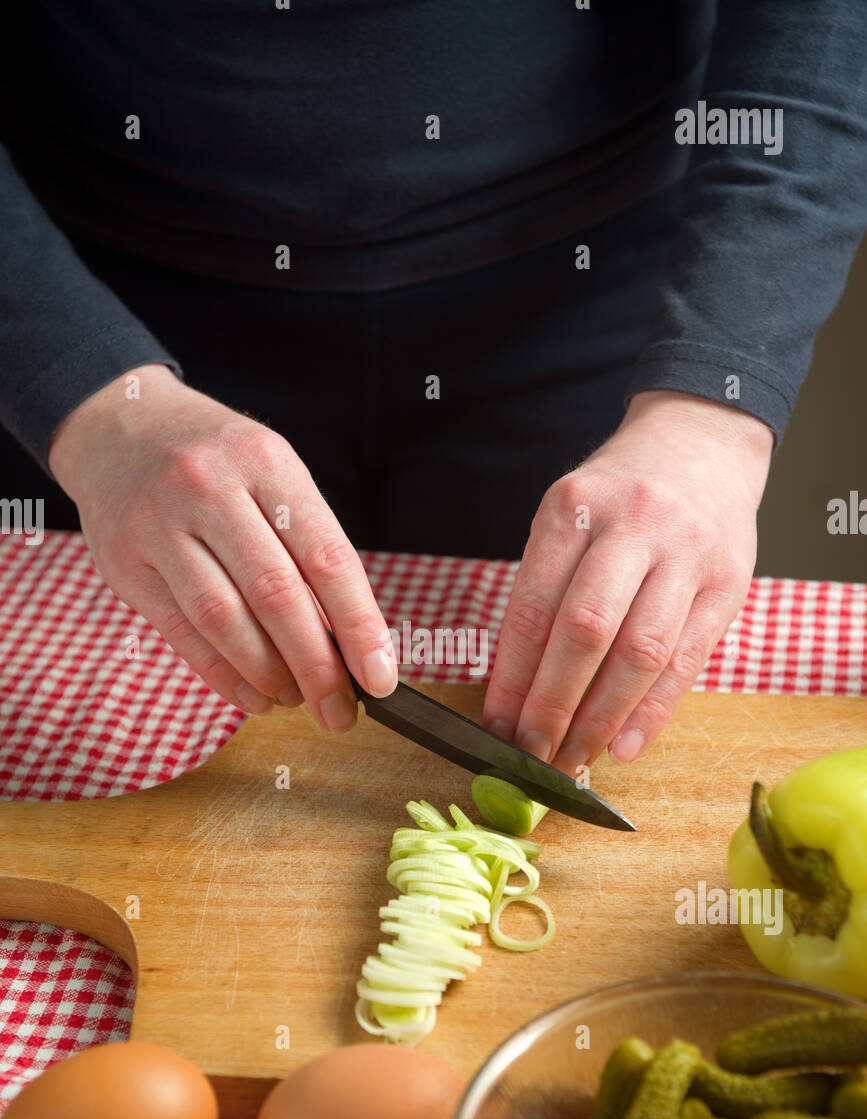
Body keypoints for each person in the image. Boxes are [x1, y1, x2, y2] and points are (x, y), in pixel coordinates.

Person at [1, 2, 865, 777]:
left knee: (581, 660)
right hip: (79, 297)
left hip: (584, 293)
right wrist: (81, 393)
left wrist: (712, 407)